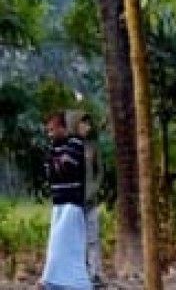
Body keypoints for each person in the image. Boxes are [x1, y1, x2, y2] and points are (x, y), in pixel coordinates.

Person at [39, 111, 92, 290]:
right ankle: (53, 282)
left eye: (52, 130)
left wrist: (56, 164)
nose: (50, 134)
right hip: (58, 204)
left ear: (63, 128)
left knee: (66, 247)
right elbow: (50, 171)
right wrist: (56, 164)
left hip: (72, 205)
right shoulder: (54, 147)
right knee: (56, 247)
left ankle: (74, 284)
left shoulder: (75, 144)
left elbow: (65, 167)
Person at [74, 112, 105, 289]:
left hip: (90, 200)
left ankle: (95, 274)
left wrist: (94, 189)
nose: (87, 127)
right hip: (73, 201)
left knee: (93, 238)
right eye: (83, 124)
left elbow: (99, 172)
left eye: (88, 124)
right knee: (76, 240)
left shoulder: (93, 147)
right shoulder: (70, 146)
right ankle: (79, 274)